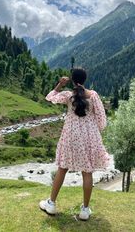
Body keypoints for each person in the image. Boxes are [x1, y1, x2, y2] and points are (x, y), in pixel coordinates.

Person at [39, 68, 111, 220]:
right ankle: (85, 210)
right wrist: (94, 130)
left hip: (71, 135)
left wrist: (60, 84)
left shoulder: (68, 95)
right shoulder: (94, 95)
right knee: (87, 172)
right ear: (85, 79)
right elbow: (101, 119)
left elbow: (50, 97)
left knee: (62, 168)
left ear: (72, 80)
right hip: (89, 136)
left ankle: (51, 204)